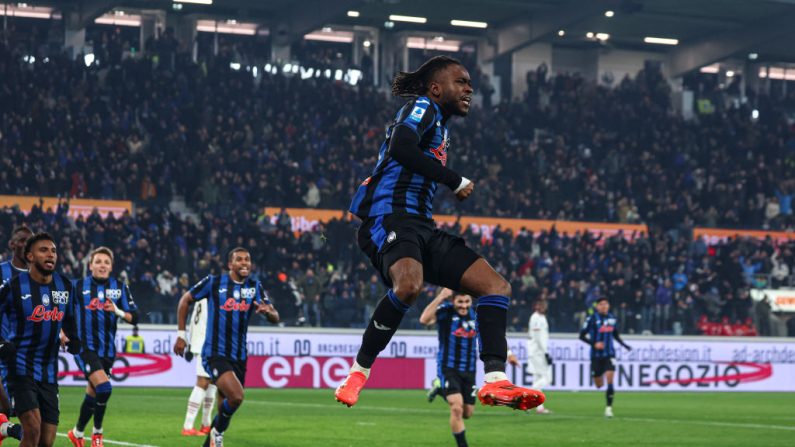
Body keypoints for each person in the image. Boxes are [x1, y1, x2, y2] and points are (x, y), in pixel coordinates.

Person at [337, 55, 544, 412]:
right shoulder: (422, 107)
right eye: (461, 82)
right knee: (409, 286)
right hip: (389, 218)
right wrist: (454, 179)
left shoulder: (442, 129)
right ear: (436, 88)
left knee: (496, 287)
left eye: (470, 84)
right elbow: (402, 147)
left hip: (422, 226)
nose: (469, 89)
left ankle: (495, 380)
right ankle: (358, 371)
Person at [174, 248, 279, 447]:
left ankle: (211, 441)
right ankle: (216, 434)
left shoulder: (255, 287)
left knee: (224, 406)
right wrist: (181, 335)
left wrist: (267, 312)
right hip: (215, 353)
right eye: (239, 260)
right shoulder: (213, 283)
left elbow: (275, 316)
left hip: (239, 356)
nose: (245, 263)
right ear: (230, 265)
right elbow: (185, 300)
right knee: (236, 397)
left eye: (247, 259)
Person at [0, 232, 81, 447]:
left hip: (48, 371)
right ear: (30, 256)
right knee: (32, 428)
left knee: (46, 441)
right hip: (19, 368)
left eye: (53, 251)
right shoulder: (14, 287)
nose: (50, 255)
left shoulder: (65, 286)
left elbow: (70, 319)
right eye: (43, 250)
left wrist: (74, 339)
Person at [420, 288, 520, 447]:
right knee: (456, 408)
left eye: (467, 302)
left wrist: (508, 353)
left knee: (467, 413)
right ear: (453, 301)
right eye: (460, 302)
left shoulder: (476, 315)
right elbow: (424, 320)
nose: (464, 306)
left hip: (469, 370)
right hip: (448, 368)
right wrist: (440, 297)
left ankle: (439, 389)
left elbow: (493, 336)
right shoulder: (445, 312)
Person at [67, 247, 138, 447]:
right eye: (98, 261)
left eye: (106, 262)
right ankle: (97, 434)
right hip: (85, 348)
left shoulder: (120, 287)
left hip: (107, 351)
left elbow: (135, 317)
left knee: (94, 391)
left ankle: (77, 433)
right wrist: (64, 334)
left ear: (111, 266)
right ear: (90, 266)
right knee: (104, 388)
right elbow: (64, 312)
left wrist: (118, 311)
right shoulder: (77, 287)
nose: (102, 265)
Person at [0, 225, 32, 442]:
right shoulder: (1, 271)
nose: (25, 243)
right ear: (12, 244)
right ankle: (11, 430)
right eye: (21, 240)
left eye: (29, 241)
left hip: (23, 355)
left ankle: (6, 429)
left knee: (7, 409)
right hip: (1, 347)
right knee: (3, 405)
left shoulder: (40, 278)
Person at [579, 297, 631, 418]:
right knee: (599, 384)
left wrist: (624, 345)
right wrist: (594, 344)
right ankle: (598, 375)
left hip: (609, 354)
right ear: (597, 306)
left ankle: (608, 409)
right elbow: (581, 336)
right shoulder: (591, 318)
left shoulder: (612, 318)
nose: (604, 306)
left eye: (606, 304)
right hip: (596, 356)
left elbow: (615, 334)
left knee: (610, 379)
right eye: (601, 304)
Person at [180, 298, 217, 436]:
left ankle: (206, 424)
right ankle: (188, 426)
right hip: (207, 344)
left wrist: (190, 344)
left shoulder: (201, 298)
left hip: (202, 343)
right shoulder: (215, 298)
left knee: (212, 382)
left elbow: (193, 322)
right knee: (203, 382)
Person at [527, 300, 552, 414]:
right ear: (535, 306)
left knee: (538, 379)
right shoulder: (536, 318)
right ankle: (525, 397)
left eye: (544, 305)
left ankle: (539, 407)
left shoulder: (542, 317)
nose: (542, 307)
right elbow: (538, 337)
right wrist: (546, 352)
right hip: (538, 352)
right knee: (547, 378)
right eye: (540, 305)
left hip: (538, 352)